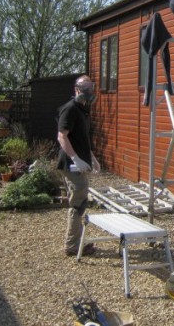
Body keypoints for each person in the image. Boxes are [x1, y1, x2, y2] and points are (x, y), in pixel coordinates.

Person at [57, 75, 101, 256]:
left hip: (81, 164)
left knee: (80, 201)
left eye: (90, 87)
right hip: (70, 165)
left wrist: (92, 158)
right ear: (76, 89)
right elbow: (62, 136)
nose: (88, 91)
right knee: (78, 203)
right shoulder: (70, 109)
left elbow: (82, 139)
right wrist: (75, 158)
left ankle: (77, 242)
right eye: (84, 87)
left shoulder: (83, 111)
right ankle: (72, 246)